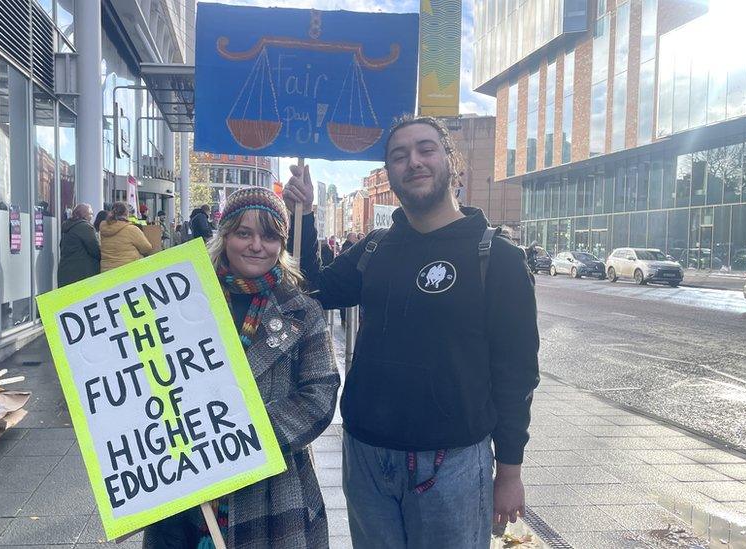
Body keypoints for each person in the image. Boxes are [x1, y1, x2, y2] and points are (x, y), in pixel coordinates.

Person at [284, 115, 539, 548]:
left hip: (453, 464)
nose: (413, 162)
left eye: (425, 149)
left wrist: (509, 471)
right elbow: (313, 289)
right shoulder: (374, 248)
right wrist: (304, 215)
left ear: (450, 162)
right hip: (367, 455)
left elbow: (517, 376)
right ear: (390, 174)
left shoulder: (498, 258)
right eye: (399, 156)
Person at [142, 187, 339, 549]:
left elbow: (319, 395)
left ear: (281, 243)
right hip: (186, 488)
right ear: (225, 234)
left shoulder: (301, 310)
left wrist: (238, 438)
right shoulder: (182, 301)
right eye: (244, 233)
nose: (256, 245)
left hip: (270, 492)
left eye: (268, 235)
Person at [99, 201, 153, 271]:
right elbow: (146, 248)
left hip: (106, 270)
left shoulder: (104, 228)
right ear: (127, 213)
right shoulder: (131, 229)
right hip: (127, 270)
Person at [57, 203, 101, 286]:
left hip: (66, 271)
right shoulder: (85, 227)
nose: (92, 216)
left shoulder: (67, 226)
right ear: (84, 214)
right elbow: (95, 250)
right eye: (91, 213)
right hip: (82, 273)